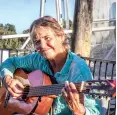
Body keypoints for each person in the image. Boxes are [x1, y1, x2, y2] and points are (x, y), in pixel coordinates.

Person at [0, 16, 101, 115]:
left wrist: (80, 112)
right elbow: (10, 62)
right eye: (37, 42)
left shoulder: (78, 69)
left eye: (47, 38)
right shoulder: (38, 59)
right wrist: (8, 80)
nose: (42, 46)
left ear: (61, 36)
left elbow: (95, 111)